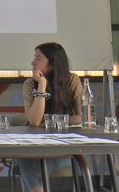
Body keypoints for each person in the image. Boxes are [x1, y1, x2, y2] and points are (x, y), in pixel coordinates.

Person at [16, 42, 83, 192]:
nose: (32, 63)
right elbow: (34, 121)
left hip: (63, 146)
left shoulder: (72, 80)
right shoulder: (29, 84)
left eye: (38, 58)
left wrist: (53, 121)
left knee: (31, 162)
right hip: (35, 146)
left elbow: (84, 117)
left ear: (53, 63)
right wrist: (42, 84)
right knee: (24, 157)